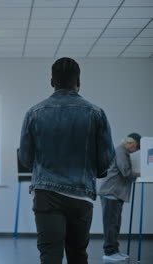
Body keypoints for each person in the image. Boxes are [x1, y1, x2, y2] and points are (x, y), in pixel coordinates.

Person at [18, 57, 115, 264]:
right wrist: (94, 172)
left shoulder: (34, 113)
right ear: (78, 82)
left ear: (52, 82)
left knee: (50, 255)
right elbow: (106, 159)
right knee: (78, 254)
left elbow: (25, 158)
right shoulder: (96, 113)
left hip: (46, 195)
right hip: (81, 195)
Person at [98, 133, 141, 262]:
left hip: (114, 193)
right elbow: (126, 172)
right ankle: (109, 252)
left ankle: (114, 250)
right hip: (111, 192)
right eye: (136, 148)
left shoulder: (121, 151)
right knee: (111, 224)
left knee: (115, 224)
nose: (136, 151)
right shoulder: (121, 151)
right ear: (131, 143)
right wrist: (139, 174)